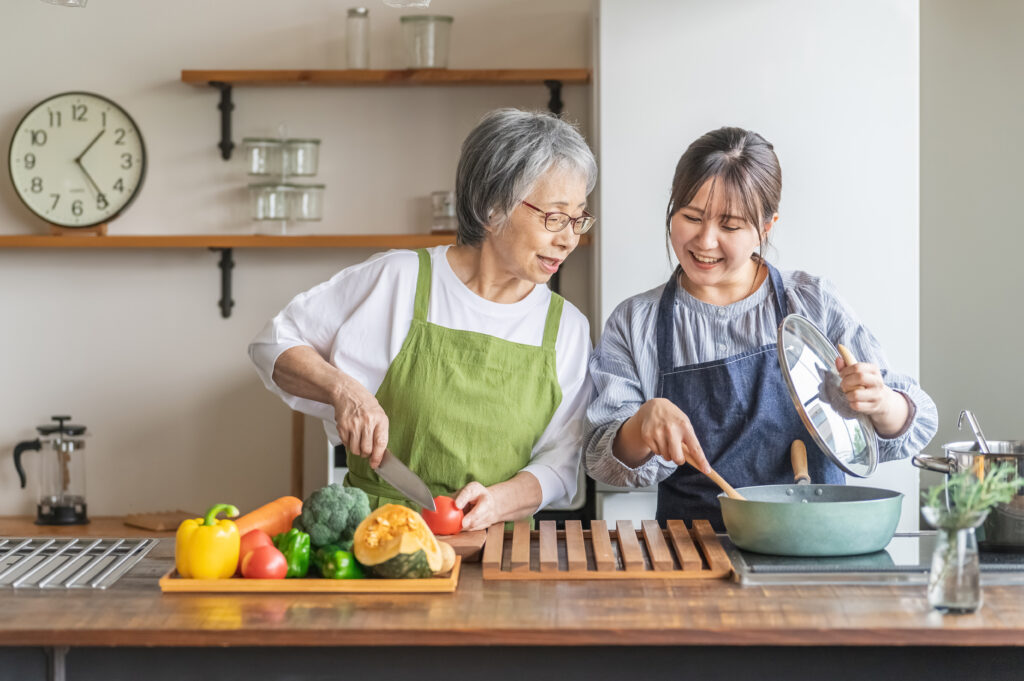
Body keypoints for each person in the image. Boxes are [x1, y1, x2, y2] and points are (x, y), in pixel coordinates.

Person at [249, 108, 597, 532]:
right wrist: (344, 391)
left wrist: (498, 501)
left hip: (496, 555)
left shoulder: (568, 329)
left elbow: (561, 463)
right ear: (491, 208)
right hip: (375, 544)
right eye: (554, 217)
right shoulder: (398, 279)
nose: (568, 239)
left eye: (578, 218)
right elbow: (274, 343)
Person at [583, 126, 937, 530]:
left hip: (814, 545)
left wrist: (880, 403)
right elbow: (602, 461)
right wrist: (641, 425)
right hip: (694, 555)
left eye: (730, 226)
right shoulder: (636, 323)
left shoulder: (813, 303)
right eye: (691, 217)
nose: (705, 240)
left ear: (766, 226)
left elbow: (913, 422)